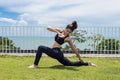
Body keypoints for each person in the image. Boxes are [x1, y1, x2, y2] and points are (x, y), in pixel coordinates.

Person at [28, 21, 96, 68]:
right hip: (56, 52)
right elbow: (48, 27)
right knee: (69, 64)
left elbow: (74, 49)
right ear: (65, 29)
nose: (67, 32)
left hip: (57, 52)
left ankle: (35, 65)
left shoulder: (68, 38)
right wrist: (57, 32)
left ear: (71, 32)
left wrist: (80, 58)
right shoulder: (60, 31)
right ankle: (88, 63)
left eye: (69, 32)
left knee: (40, 47)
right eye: (67, 30)